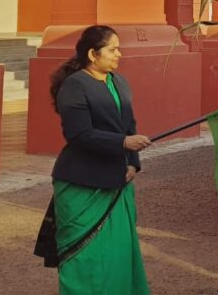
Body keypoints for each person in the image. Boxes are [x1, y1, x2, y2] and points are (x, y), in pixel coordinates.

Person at [49, 25, 151, 294]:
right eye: (112, 49)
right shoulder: (74, 86)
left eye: (119, 49)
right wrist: (122, 143)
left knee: (117, 253)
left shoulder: (119, 82)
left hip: (117, 180)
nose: (119, 54)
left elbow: (129, 125)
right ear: (93, 54)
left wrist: (132, 161)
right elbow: (79, 134)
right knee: (87, 258)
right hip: (83, 183)